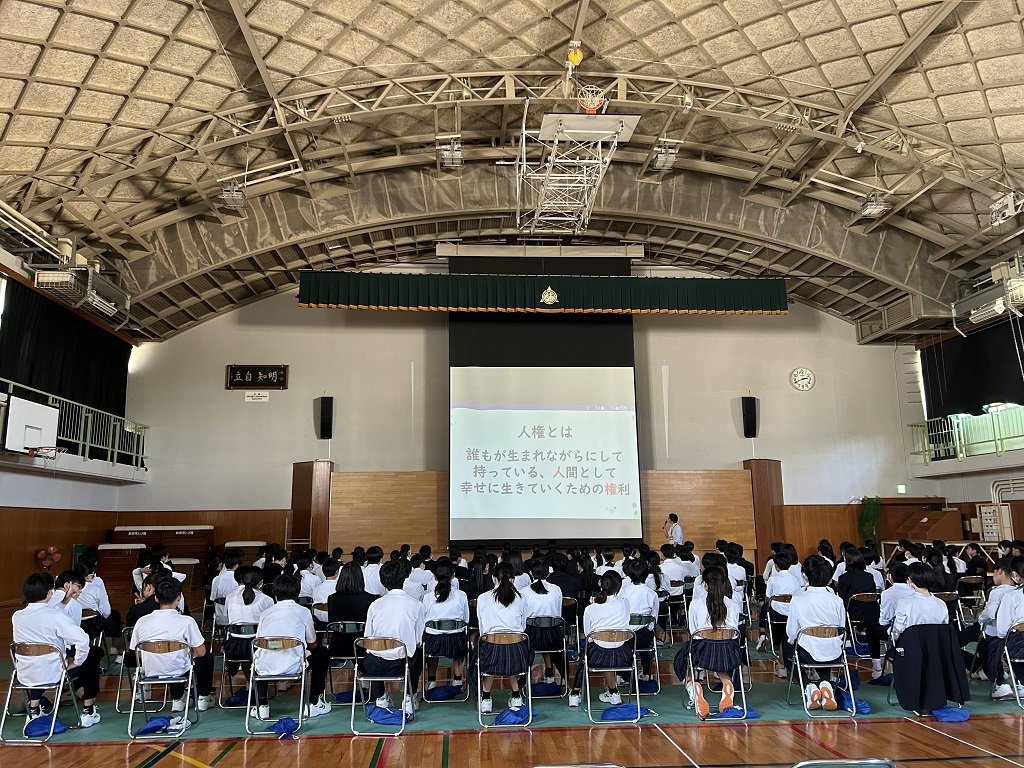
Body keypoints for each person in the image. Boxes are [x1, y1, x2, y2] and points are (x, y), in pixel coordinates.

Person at [12, 573, 103, 727]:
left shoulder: (17, 616)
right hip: (53, 673)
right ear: (49, 592)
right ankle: (88, 711)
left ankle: (33, 710)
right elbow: (82, 639)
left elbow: (43, 611)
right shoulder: (55, 616)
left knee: (37, 663)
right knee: (92, 656)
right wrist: (76, 661)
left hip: (25, 673)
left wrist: (63, 600)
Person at [130, 578, 216, 719]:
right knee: (205, 658)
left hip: (150, 670)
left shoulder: (142, 621)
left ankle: (178, 700)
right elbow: (201, 652)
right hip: (179, 669)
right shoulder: (187, 621)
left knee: (174, 659)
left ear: (156, 598)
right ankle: (203, 698)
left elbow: (137, 653)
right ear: (179, 597)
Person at [250, 574, 331, 720]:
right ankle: (314, 702)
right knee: (322, 654)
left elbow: (259, 641)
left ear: (275, 594)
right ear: (297, 593)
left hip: (265, 667)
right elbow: (312, 643)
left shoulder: (265, 613)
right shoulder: (303, 611)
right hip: (295, 665)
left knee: (259, 658)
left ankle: (262, 705)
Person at [673, 565, 741, 718]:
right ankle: (727, 684)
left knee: (681, 661)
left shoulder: (696, 603)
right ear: (723, 583)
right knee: (720, 660)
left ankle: (693, 689)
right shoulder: (732, 603)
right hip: (728, 651)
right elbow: (735, 632)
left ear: (704, 584)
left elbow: (693, 631)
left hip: (702, 650)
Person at [363, 560, 425, 716]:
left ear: (383, 581)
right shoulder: (416, 605)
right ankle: (409, 698)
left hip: (375, 666)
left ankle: (380, 698)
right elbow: (418, 639)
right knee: (417, 652)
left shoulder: (374, 605)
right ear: (404, 579)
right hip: (402, 665)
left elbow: (367, 639)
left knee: (372, 654)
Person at [785, 555, 846, 712]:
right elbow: (841, 628)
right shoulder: (837, 599)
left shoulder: (798, 598)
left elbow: (791, 632)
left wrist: (793, 641)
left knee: (788, 648)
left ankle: (809, 686)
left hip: (807, 652)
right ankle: (825, 684)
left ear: (805, 574)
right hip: (834, 653)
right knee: (823, 646)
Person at [567, 570, 632, 708]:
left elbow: (588, 635)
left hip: (598, 655)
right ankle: (614, 692)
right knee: (606, 651)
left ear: (599, 583)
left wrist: (593, 605)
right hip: (624, 655)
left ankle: (575, 694)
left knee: (585, 653)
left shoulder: (591, 609)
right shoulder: (625, 603)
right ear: (619, 588)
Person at [475, 561, 529, 714]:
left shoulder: (483, 598)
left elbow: (482, 628)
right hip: (516, 650)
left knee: (487, 649)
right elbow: (523, 626)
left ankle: (486, 698)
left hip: (491, 649)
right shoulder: (521, 597)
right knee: (514, 650)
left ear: (493, 578)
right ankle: (516, 695)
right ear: (513, 579)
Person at [959, 558, 1015, 696]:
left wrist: (980, 617)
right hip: (1013, 634)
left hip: (992, 632)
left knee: (983, 647)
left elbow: (989, 613)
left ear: (1000, 571)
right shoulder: (1018, 591)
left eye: (994, 572)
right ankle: (1012, 682)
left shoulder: (997, 591)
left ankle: (999, 681)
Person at [836, 547, 884, 678]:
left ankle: (840, 659)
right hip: (871, 614)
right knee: (872, 629)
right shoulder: (869, 576)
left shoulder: (844, 578)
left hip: (851, 614)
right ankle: (877, 665)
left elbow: (841, 598)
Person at [422, 560, 470, 690]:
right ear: (453, 575)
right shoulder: (462, 595)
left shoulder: (427, 597)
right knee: (460, 640)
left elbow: (423, 622)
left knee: (430, 643)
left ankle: (431, 681)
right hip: (456, 642)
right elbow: (466, 620)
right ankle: (458, 680)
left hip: (433, 643)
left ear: (435, 577)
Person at [523, 559, 565, 685]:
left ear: (531, 573)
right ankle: (549, 673)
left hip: (532, 637)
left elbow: (523, 617)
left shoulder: (524, 591)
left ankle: (525, 679)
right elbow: (558, 614)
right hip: (553, 636)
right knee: (549, 641)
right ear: (548, 573)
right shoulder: (557, 589)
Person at [621, 558, 659, 680]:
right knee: (647, 640)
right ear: (646, 574)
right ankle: (647, 673)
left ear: (629, 574)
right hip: (644, 637)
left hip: (625, 636)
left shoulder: (623, 592)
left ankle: (621, 675)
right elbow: (653, 620)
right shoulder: (652, 594)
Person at [892, 562, 949, 640]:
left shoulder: (904, 603)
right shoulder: (941, 604)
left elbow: (898, 631)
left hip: (912, 648)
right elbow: (944, 629)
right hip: (936, 647)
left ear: (909, 580)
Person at [210, 547, 244, 630]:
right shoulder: (238, 580)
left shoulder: (217, 579)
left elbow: (212, 598)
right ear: (236, 566)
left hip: (220, 617)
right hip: (236, 619)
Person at [313, 559, 340, 625]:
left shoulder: (316, 589)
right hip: (336, 622)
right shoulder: (340, 588)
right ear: (337, 572)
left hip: (319, 621)